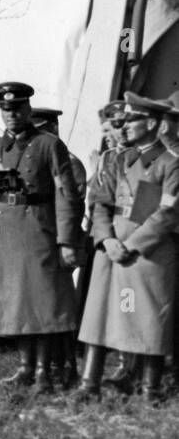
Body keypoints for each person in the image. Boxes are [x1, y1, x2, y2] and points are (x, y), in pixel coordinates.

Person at [0, 81, 80, 393]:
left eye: (17, 108)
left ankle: (45, 372)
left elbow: (66, 195)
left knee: (42, 303)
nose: (12, 114)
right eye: (6, 109)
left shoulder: (49, 145)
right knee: (17, 303)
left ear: (28, 109)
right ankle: (25, 367)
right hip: (5, 234)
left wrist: (67, 240)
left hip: (39, 232)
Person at [76, 92, 179, 404]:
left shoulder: (169, 164)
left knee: (147, 317)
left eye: (132, 120)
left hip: (147, 253)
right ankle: (88, 385)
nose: (124, 126)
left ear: (153, 123)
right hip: (112, 250)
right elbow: (100, 202)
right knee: (100, 316)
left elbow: (167, 212)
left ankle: (150, 389)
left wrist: (131, 245)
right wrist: (106, 239)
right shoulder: (120, 160)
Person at [29, 105, 87, 388]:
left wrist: (69, 246)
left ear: (53, 129)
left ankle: (66, 366)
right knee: (45, 306)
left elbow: (72, 207)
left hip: (62, 243)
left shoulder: (69, 162)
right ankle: (47, 365)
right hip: (42, 242)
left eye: (41, 130)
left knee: (61, 307)